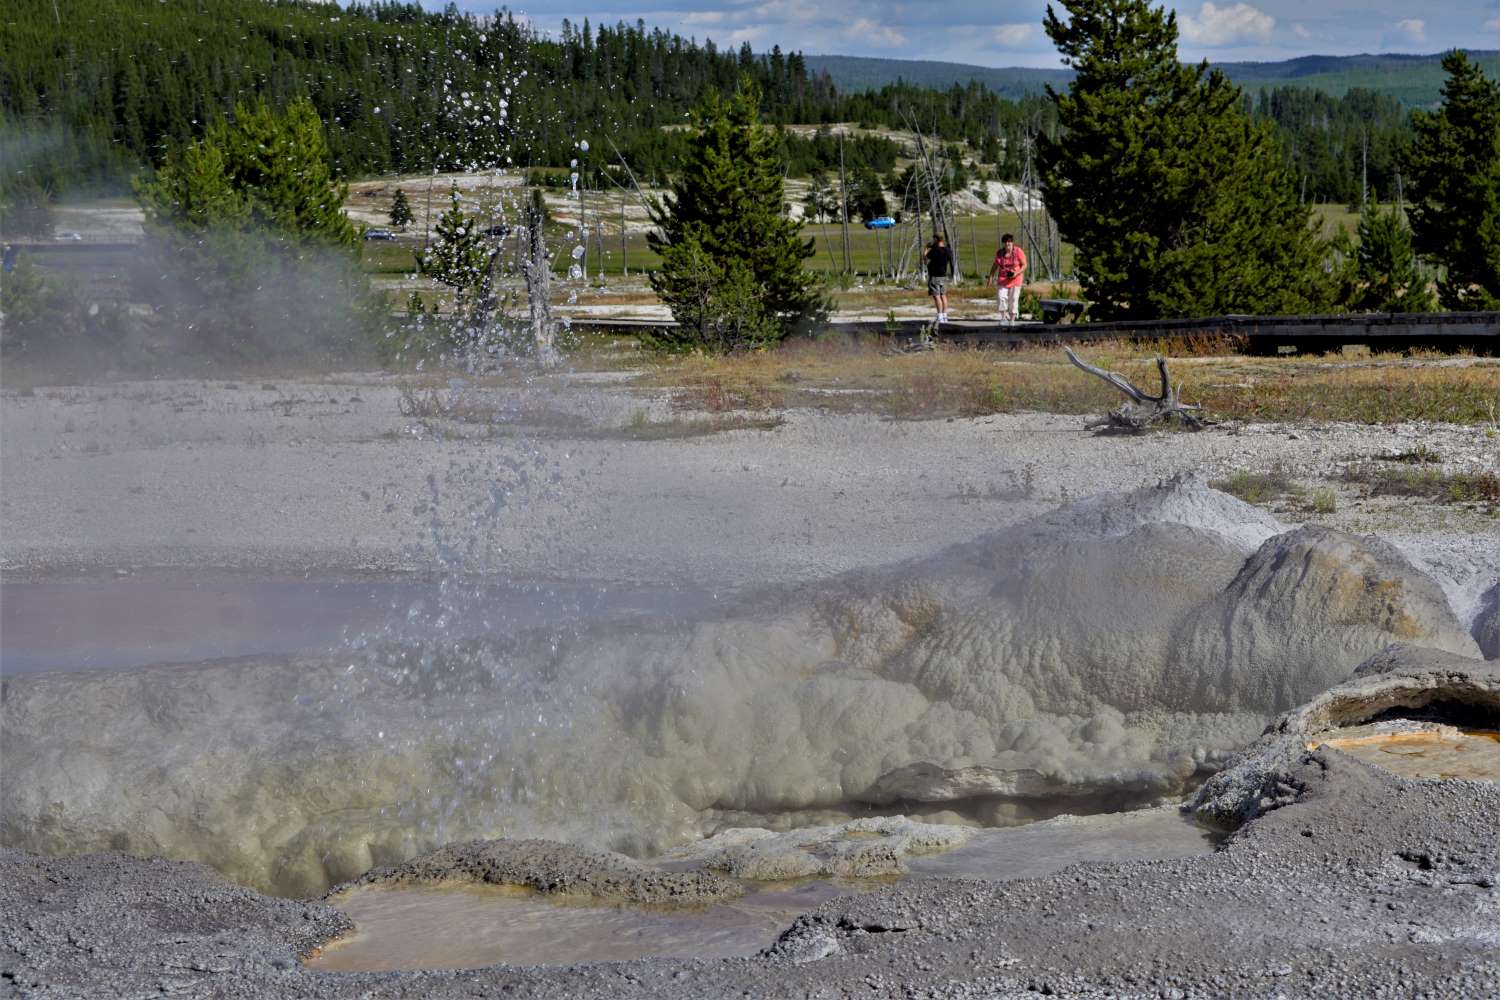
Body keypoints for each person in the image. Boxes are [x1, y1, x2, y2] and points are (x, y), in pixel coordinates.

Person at [987, 233, 1027, 323]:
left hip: (1016, 279)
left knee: (1013, 299)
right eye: (1005, 242)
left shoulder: (1018, 251)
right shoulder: (1000, 253)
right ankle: (1003, 317)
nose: (1007, 244)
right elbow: (995, 266)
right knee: (1001, 297)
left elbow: (1024, 265)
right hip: (1003, 278)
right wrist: (991, 277)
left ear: (1013, 243)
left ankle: (1012, 319)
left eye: (1009, 242)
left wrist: (1016, 273)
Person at [922, 234, 953, 323]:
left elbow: (925, 259)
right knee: (943, 295)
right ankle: (945, 316)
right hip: (943, 275)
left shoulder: (934, 250)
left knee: (936, 296)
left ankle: (939, 316)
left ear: (936, 239)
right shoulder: (947, 250)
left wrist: (926, 248)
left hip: (934, 275)